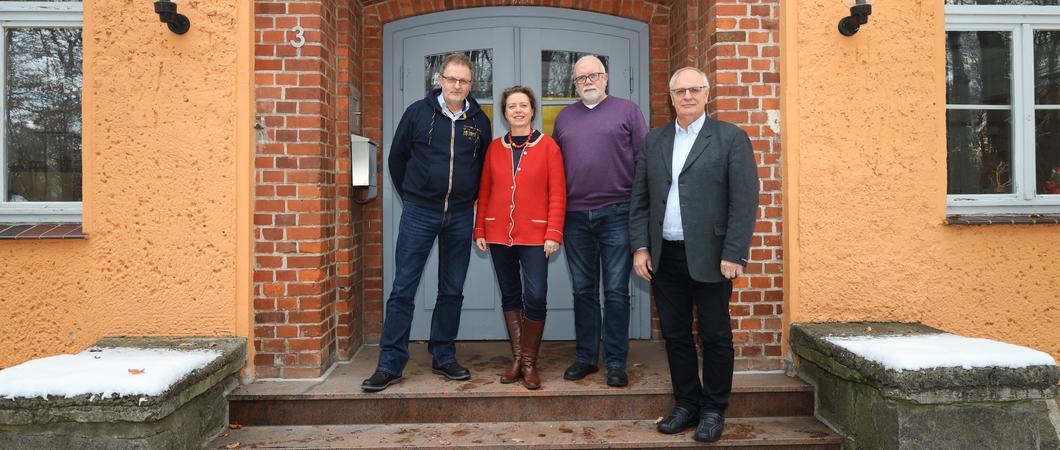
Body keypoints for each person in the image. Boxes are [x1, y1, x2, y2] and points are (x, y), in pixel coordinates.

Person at [629, 67, 759, 442]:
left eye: (694, 90)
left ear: (707, 94)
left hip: (714, 256)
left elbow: (744, 200)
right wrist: (640, 247)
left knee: (716, 335)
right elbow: (639, 200)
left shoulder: (730, 138)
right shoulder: (655, 141)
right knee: (675, 334)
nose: (687, 96)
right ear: (671, 98)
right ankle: (686, 404)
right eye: (680, 91)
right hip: (664, 256)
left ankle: (714, 409)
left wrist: (735, 252)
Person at [362, 53, 492, 392]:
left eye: (463, 81)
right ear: (440, 79)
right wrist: (414, 196)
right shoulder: (417, 113)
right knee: (403, 288)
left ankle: (444, 355)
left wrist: (469, 199)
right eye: (451, 79)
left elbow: (484, 166)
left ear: (471, 84)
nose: (456, 86)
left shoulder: (479, 120)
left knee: (452, 289)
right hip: (420, 212)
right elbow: (396, 159)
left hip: (461, 215)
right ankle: (390, 363)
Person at [552, 54, 648, 387]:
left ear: (606, 78)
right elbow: (555, 171)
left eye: (593, 75)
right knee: (583, 291)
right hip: (575, 217)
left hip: (617, 214)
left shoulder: (628, 111)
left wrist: (640, 215)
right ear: (574, 84)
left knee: (617, 292)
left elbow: (644, 164)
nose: (587, 81)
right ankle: (586, 358)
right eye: (580, 78)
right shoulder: (564, 118)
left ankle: (617, 362)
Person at [474, 86, 566, 390]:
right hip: (498, 234)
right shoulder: (494, 148)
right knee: (510, 294)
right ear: (504, 112)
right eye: (511, 106)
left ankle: (530, 361)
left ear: (532, 110)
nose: (517, 110)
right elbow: (484, 192)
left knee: (536, 295)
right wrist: (479, 229)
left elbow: (558, 194)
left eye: (523, 105)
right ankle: (518, 360)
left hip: (536, 235)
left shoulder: (548, 146)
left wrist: (553, 232)